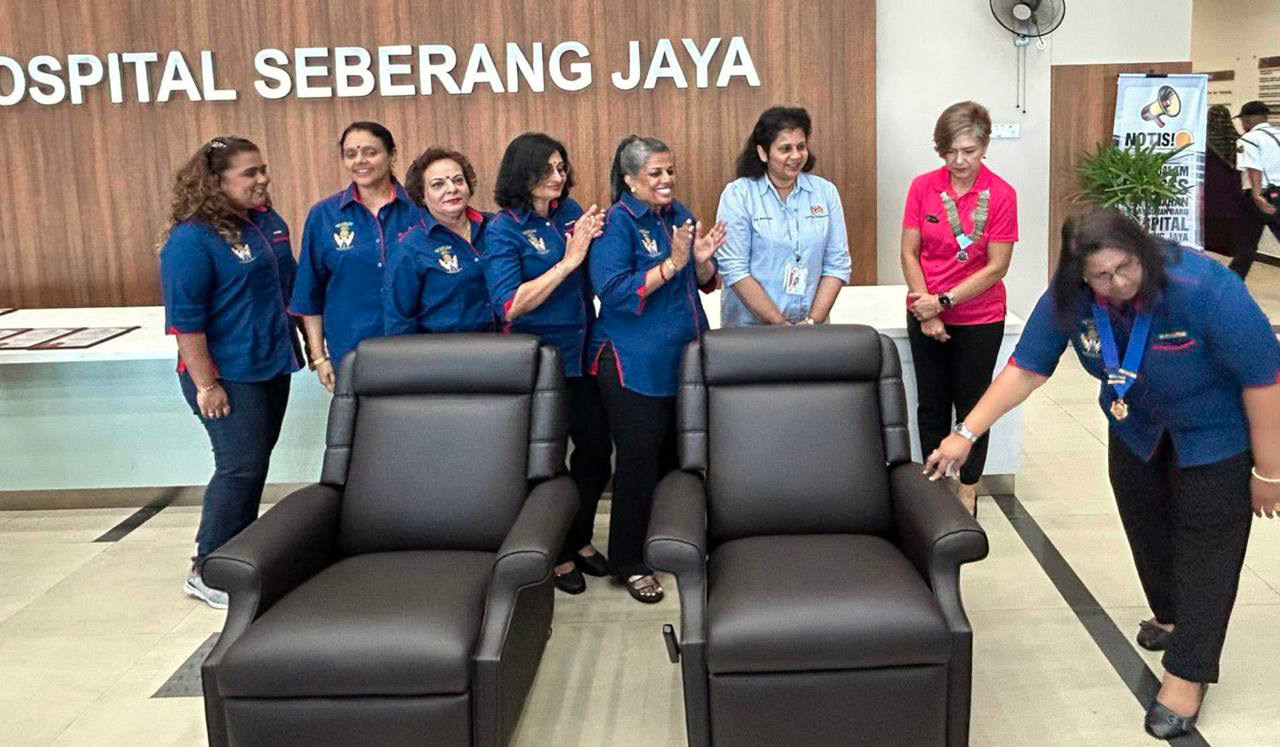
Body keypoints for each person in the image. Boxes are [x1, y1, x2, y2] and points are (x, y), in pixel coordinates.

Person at [925, 208, 1280, 740]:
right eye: (1100, 276)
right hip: (1135, 425)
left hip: (1214, 433)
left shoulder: (1204, 287)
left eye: (1125, 268)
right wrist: (966, 433)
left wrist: (1270, 472)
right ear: (1079, 275)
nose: (1116, 283)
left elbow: (1264, 379)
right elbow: (1026, 367)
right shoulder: (1071, 298)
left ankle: (1188, 674)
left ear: (1142, 253)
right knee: (1147, 529)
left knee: (1209, 547)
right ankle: (1174, 619)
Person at [159, 136, 302, 609]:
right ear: (216, 182)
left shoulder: (267, 223)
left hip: (269, 364)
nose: (262, 180)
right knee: (238, 466)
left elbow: (290, 286)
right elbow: (186, 322)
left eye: (263, 169)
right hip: (224, 375)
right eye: (249, 174)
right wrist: (206, 384)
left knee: (254, 463)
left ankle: (239, 558)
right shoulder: (192, 239)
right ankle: (207, 566)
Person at [589, 135, 726, 603]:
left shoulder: (679, 214)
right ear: (629, 179)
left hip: (684, 358)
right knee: (638, 464)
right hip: (633, 362)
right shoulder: (616, 225)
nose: (666, 181)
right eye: (655, 173)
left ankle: (670, 547)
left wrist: (702, 264)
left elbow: (701, 284)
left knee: (677, 462)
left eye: (669, 171)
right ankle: (629, 562)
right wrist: (672, 263)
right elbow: (617, 292)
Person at [482, 133, 609, 594]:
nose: (559, 177)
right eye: (548, 169)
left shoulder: (570, 214)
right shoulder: (503, 228)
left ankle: (577, 538)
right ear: (524, 175)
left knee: (595, 453)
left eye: (561, 167)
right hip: (537, 362)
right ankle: (551, 552)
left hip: (582, 354)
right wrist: (568, 261)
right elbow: (510, 305)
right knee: (546, 464)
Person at [900, 100, 1017, 515]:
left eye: (968, 151)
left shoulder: (1001, 194)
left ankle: (968, 485)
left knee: (972, 405)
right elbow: (910, 252)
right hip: (924, 311)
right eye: (950, 152)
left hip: (979, 317)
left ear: (984, 147)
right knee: (931, 402)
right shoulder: (923, 187)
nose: (959, 160)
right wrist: (927, 308)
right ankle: (935, 481)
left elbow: (997, 266)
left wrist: (945, 302)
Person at [290, 122, 420, 388]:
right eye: (351, 154)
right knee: (362, 428)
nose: (360, 160)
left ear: (392, 155)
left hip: (418, 347)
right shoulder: (323, 216)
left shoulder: (420, 210)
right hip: (351, 352)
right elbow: (309, 292)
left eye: (371, 152)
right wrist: (319, 357)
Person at [716, 106, 851, 326]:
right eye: (785, 149)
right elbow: (734, 268)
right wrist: (780, 326)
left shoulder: (825, 192)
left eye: (801, 146)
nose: (796, 156)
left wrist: (811, 323)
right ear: (763, 152)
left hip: (811, 331)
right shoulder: (738, 195)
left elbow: (837, 264)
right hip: (750, 333)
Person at [384, 148, 496, 334]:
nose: (452, 189)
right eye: (438, 185)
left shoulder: (496, 227)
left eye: (458, 180)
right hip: (445, 356)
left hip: (508, 351)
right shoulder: (410, 248)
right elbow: (399, 323)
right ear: (422, 195)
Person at [1230, 100, 1280, 278]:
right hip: (1278, 192)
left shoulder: (1249, 139)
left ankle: (1232, 285)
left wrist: (1257, 195)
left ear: (1247, 121)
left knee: (1246, 245)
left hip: (1260, 195)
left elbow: (1253, 167)